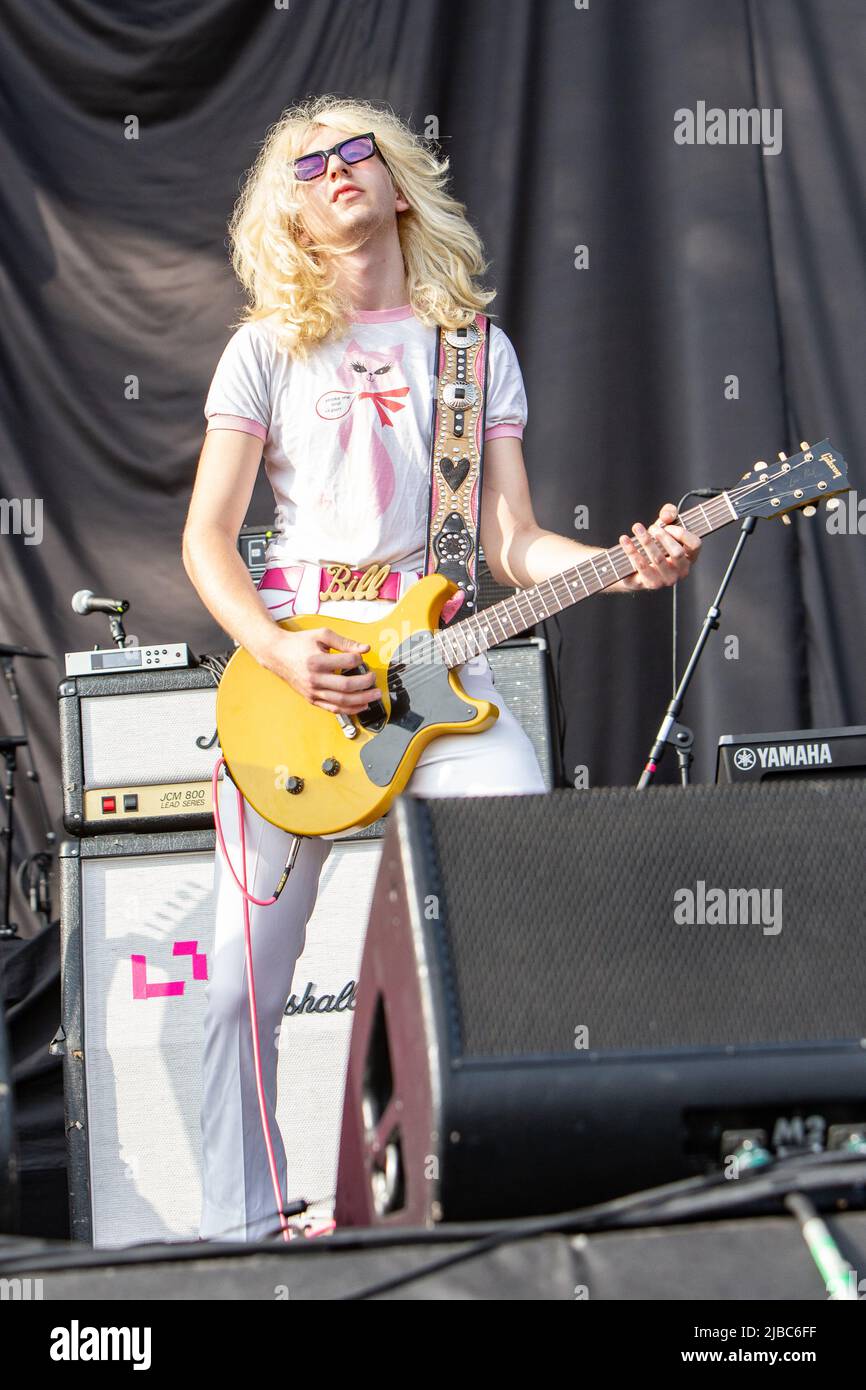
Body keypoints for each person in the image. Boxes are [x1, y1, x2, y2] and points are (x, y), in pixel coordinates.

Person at [182, 95, 702, 1242]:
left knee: (513, 900)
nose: (332, 173)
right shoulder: (264, 345)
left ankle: (484, 1196)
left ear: (398, 178)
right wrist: (274, 647)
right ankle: (242, 1236)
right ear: (293, 213)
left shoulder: (472, 350)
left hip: (433, 674)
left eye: (352, 151)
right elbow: (206, 540)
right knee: (230, 991)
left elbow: (510, 544)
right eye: (306, 166)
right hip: (295, 674)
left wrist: (624, 564)